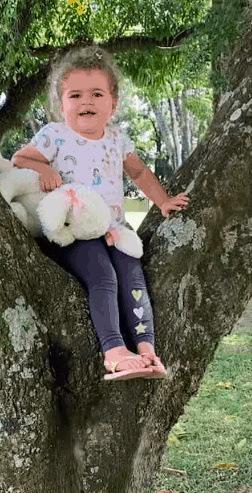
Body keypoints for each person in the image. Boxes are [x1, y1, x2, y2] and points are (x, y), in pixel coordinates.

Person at [12, 46, 189, 380]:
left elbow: (138, 173)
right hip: (74, 234)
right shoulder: (55, 135)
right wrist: (41, 168)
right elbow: (20, 159)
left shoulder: (117, 138)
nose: (86, 102)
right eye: (75, 95)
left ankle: (146, 349)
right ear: (60, 104)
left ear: (113, 103)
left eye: (96, 94)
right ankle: (114, 352)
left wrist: (163, 201)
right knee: (103, 277)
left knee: (134, 280)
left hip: (115, 230)